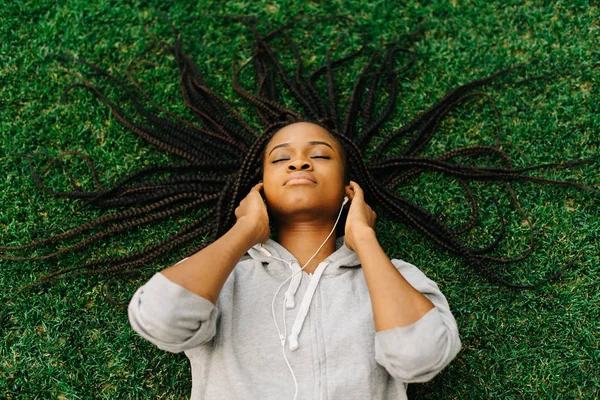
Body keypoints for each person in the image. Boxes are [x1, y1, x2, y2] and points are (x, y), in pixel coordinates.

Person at [128, 120, 461, 399]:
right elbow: (160, 318)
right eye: (280, 159)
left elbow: (421, 357)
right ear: (258, 189)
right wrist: (244, 230)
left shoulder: (395, 278)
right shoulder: (223, 278)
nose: (299, 163)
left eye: (319, 155)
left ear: (350, 190)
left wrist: (364, 240)